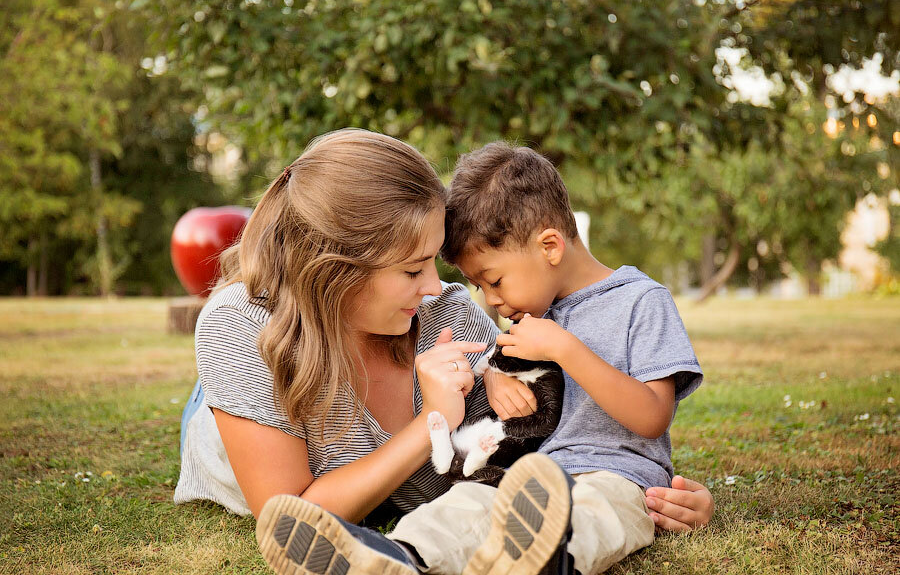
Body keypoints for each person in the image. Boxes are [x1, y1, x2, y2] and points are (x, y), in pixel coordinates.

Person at [174, 129, 713, 575]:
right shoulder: (242, 329)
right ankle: (395, 557)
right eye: (413, 269)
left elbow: (608, 427)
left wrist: (493, 372)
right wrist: (431, 419)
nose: (439, 287)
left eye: (436, 262)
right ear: (337, 271)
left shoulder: (455, 314)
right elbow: (291, 512)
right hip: (242, 401)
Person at [386, 140, 702, 575]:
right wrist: (493, 375)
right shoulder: (532, 314)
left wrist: (565, 349)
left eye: (495, 280)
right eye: (480, 287)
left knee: (592, 515)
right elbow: (499, 364)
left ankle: (541, 558)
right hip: (528, 476)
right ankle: (394, 556)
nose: (491, 301)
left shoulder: (641, 301)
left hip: (619, 478)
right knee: (465, 503)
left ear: (550, 246)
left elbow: (652, 417)